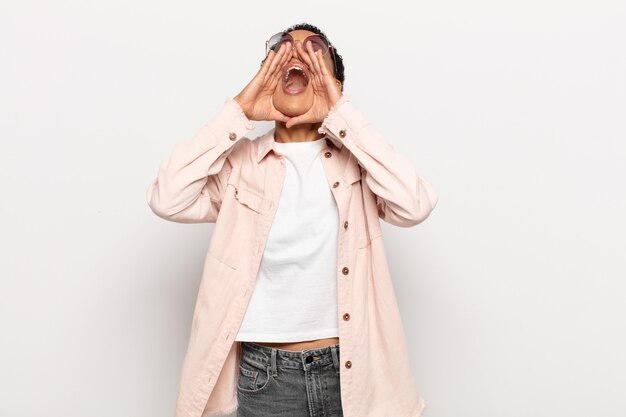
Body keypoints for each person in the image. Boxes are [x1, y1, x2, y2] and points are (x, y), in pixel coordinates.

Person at [146, 22, 438, 417]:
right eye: (282, 49)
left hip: (352, 373)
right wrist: (238, 112)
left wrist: (344, 117)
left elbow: (414, 204)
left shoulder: (357, 163)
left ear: (332, 82)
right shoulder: (242, 164)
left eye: (315, 50)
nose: (297, 55)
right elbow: (167, 197)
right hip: (265, 377)